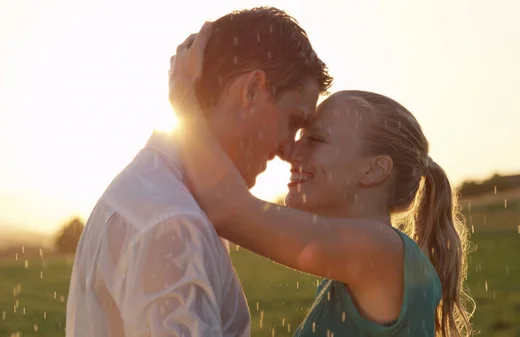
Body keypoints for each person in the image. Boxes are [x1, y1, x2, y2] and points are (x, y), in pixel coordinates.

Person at [168, 24, 475, 337]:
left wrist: (184, 103)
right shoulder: (364, 261)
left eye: (315, 139)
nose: (291, 152)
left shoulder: (379, 250)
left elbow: (229, 210)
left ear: (374, 170)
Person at [65, 7, 333, 337]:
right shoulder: (173, 223)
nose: (289, 150)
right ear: (252, 90)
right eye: (293, 122)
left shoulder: (150, 189)